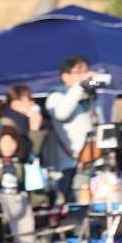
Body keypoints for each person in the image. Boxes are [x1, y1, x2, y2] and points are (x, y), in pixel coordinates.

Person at [44, 55, 105, 203]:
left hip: (97, 161)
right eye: (79, 72)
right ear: (65, 76)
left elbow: (101, 125)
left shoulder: (88, 97)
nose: (84, 75)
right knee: (77, 209)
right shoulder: (56, 96)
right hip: (74, 165)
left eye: (86, 71)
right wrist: (79, 86)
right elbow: (60, 113)